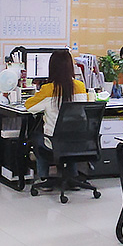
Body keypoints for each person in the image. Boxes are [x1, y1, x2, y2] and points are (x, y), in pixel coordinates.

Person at [25, 50, 88, 183]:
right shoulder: (80, 86)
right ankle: (73, 177)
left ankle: (44, 178)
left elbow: (29, 106)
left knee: (36, 136)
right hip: (78, 141)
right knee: (69, 131)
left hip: (54, 143)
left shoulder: (48, 89)